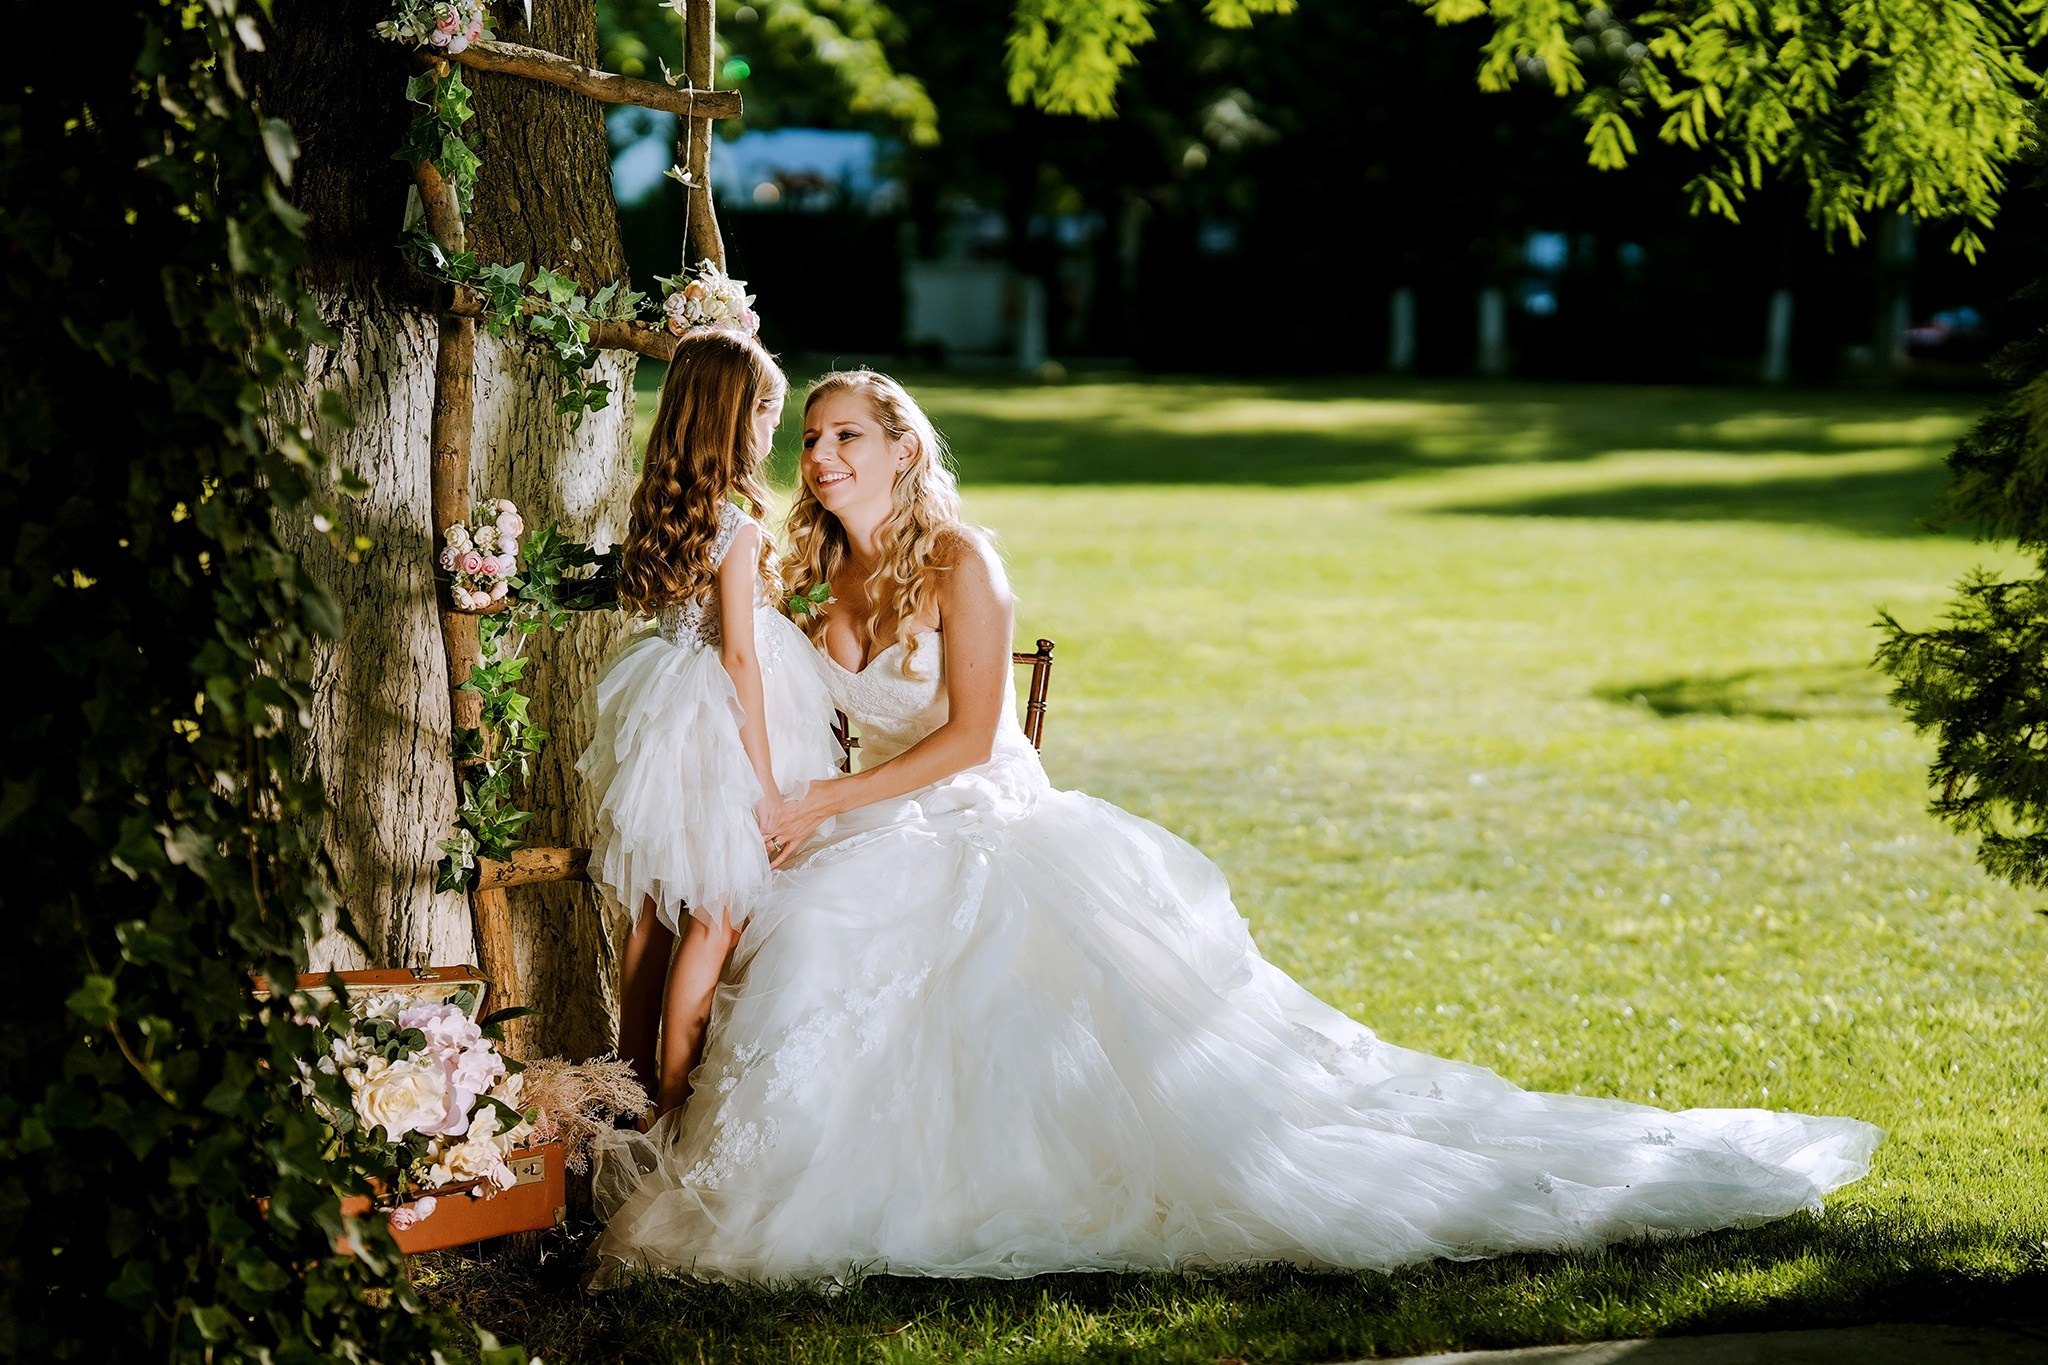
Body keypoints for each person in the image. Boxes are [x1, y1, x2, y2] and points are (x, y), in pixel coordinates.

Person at [590, 370, 1880, 1283]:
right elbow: (756, 678)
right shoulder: (813, 570)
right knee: (792, 929)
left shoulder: (961, 563)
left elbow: (975, 738)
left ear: (902, 448)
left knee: (839, 939)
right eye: (812, 437)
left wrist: (817, 803)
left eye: (847, 436)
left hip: (972, 813)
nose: (821, 457)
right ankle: (745, 1153)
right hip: (865, 816)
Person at [575, 329, 839, 1124]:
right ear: (732, 417)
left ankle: (626, 1081)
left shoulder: (668, 509)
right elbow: (739, 656)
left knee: (654, 909)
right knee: (717, 912)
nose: (774, 430)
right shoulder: (736, 527)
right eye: (766, 413)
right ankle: (670, 1100)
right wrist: (763, 783)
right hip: (721, 724)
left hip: (665, 710)